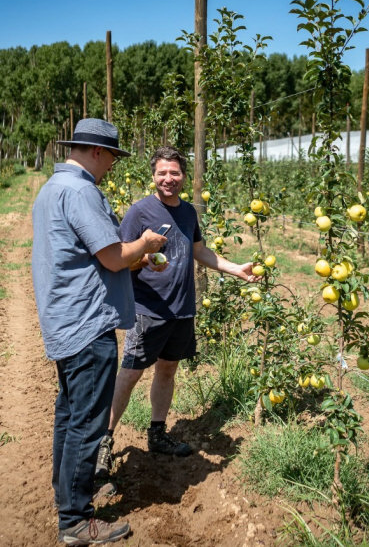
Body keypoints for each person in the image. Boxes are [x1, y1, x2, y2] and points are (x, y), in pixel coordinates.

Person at [31, 118, 168, 545]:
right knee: (88, 422)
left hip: (65, 318)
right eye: (111, 156)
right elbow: (110, 257)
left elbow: (89, 256)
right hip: (87, 323)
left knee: (70, 413)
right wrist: (144, 245)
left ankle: (67, 489)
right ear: (96, 152)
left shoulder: (52, 188)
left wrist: (133, 259)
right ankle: (75, 519)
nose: (111, 165)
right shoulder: (81, 190)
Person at [94, 145, 258, 478]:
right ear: (153, 176)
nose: (169, 179)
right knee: (129, 375)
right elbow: (118, 260)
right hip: (148, 310)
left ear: (183, 176)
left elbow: (200, 252)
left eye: (175, 173)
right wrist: (143, 260)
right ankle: (103, 442)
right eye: (162, 173)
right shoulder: (139, 212)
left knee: (167, 371)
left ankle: (157, 434)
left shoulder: (188, 213)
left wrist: (236, 269)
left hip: (181, 310)